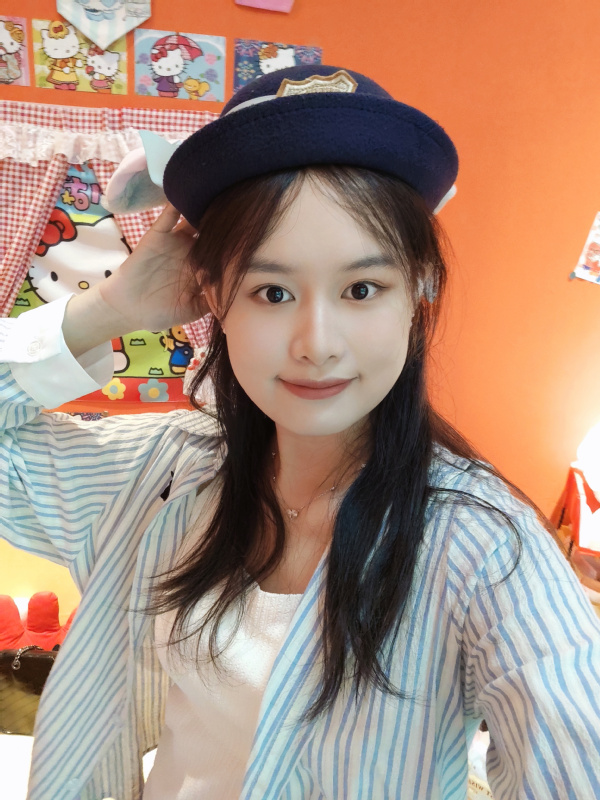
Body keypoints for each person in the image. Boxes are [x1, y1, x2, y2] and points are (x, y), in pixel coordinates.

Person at [1, 64, 599, 800]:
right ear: (214, 295)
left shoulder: (485, 548)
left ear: (419, 290)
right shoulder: (165, 473)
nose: (317, 343)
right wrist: (110, 309)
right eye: (272, 291)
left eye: (361, 289)